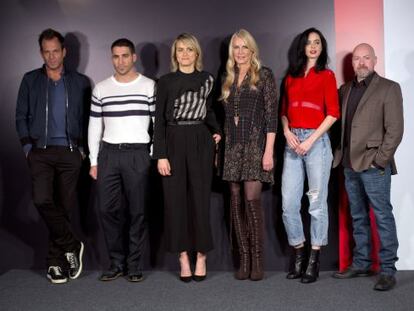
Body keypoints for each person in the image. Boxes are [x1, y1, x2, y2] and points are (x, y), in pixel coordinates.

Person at [15, 28, 90, 284]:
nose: (52, 56)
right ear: (41, 53)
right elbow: (20, 116)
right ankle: (72, 245)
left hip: (70, 153)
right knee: (42, 200)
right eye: (46, 52)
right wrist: (28, 148)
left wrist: (82, 150)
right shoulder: (30, 80)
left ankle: (54, 264)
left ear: (64, 51)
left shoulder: (79, 82)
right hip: (41, 153)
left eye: (55, 51)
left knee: (64, 208)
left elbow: (88, 119)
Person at [332, 43, 403, 291]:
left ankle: (387, 270)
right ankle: (361, 262)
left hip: (374, 165)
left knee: (382, 216)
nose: (361, 63)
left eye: (366, 58)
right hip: (349, 164)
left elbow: (395, 131)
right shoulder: (345, 89)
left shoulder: (389, 89)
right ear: (352, 63)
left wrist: (379, 160)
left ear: (375, 60)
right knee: (358, 215)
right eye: (356, 59)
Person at [153, 33, 221, 282]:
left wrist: (216, 131)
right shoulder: (165, 82)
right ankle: (183, 256)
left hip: (200, 139)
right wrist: (160, 155)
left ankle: (201, 255)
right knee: (175, 201)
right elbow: (158, 121)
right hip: (172, 139)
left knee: (200, 200)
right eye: (180, 50)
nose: (184, 54)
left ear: (196, 53)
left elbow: (210, 110)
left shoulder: (207, 79)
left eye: (189, 50)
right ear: (175, 54)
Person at [88, 38, 155, 282]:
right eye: (116, 56)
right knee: (107, 210)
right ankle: (116, 263)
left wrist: (151, 154)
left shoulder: (149, 86)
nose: (120, 61)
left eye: (125, 56)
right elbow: (94, 125)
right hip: (109, 154)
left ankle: (134, 264)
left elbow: (158, 124)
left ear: (134, 57)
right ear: (111, 58)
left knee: (138, 212)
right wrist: (94, 160)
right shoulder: (101, 89)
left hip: (138, 153)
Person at [281, 27, 339, 283]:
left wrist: (311, 139)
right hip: (292, 142)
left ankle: (314, 260)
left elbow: (333, 113)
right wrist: (286, 132)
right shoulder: (290, 78)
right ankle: (299, 255)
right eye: (309, 43)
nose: (313, 47)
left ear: (322, 47)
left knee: (316, 204)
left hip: (317, 144)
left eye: (318, 43)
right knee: (288, 205)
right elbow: (284, 111)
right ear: (302, 47)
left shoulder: (327, 75)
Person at [220, 29, 277, 281]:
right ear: (231, 51)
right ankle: (243, 259)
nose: (240, 52)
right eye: (236, 47)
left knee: (251, 203)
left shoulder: (264, 75)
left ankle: (257, 260)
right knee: (235, 203)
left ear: (252, 50)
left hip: (255, 146)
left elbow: (272, 116)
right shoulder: (227, 78)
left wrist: (269, 151)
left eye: (244, 47)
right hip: (232, 147)